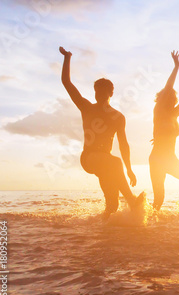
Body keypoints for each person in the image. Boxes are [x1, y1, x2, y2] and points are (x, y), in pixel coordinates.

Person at [59, 46, 143, 219]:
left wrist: (130, 170)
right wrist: (67, 58)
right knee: (115, 162)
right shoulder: (87, 108)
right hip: (89, 158)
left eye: (102, 91)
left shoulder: (118, 117)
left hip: (106, 164)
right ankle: (132, 200)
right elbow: (67, 83)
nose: (98, 94)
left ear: (111, 93)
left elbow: (124, 144)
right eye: (96, 91)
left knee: (112, 205)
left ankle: (105, 235)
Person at [149, 51, 179, 211]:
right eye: (166, 95)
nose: (170, 97)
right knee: (159, 199)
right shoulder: (159, 111)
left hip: (170, 157)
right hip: (157, 159)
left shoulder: (174, 114)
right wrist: (176, 66)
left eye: (172, 97)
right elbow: (168, 87)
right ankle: (144, 224)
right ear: (161, 98)